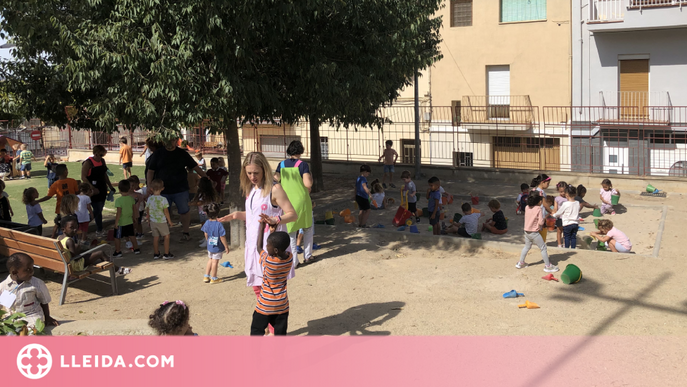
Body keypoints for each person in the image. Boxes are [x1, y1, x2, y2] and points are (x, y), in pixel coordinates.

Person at [218, 152, 297, 324]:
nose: (252, 177)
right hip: (254, 247)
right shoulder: (251, 190)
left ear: (265, 171)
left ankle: (275, 332)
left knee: (273, 294)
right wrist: (235, 215)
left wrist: (276, 219)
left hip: (272, 250)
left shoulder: (275, 189)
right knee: (257, 289)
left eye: (256, 173)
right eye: (249, 173)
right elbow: (254, 215)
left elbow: (292, 214)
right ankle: (268, 328)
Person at [146, 138, 207, 240]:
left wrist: (206, 178)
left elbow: (196, 167)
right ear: (165, 141)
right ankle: (163, 234)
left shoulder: (182, 153)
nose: (171, 143)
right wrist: (149, 185)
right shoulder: (158, 153)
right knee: (163, 212)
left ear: (176, 141)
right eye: (169, 140)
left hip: (180, 188)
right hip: (162, 190)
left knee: (184, 211)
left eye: (173, 140)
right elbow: (150, 170)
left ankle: (186, 232)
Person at [274, 140, 315, 265]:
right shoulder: (302, 165)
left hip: (286, 200)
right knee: (307, 228)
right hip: (302, 200)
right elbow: (307, 184)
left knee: (291, 231)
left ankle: (294, 261)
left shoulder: (281, 164)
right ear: (301, 151)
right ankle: (308, 256)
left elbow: (275, 180)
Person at [251, 219, 292, 336]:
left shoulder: (268, 261)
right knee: (280, 334)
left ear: (274, 250)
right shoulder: (289, 258)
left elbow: (258, 247)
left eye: (268, 245)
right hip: (282, 305)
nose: (266, 247)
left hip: (265, 305)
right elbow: (277, 246)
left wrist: (262, 227)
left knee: (256, 330)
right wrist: (272, 232)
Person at [59, 216, 131, 278]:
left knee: (93, 255)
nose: (75, 229)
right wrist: (78, 248)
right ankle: (117, 270)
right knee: (100, 253)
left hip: (65, 265)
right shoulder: (69, 241)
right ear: (63, 229)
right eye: (71, 228)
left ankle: (116, 269)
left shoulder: (59, 238)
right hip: (75, 266)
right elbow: (75, 258)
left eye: (76, 227)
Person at [0, 253, 59, 328]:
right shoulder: (3, 286)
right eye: (27, 270)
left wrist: (47, 317)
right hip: (10, 317)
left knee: (31, 330)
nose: (32, 272)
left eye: (32, 268)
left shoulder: (36, 283)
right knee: (8, 331)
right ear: (15, 272)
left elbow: (44, 301)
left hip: (31, 315)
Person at [517, 193, 559, 272]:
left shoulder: (527, 207)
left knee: (527, 247)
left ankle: (521, 263)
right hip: (534, 233)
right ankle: (548, 266)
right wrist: (546, 216)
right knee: (543, 248)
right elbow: (540, 223)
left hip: (526, 231)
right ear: (538, 201)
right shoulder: (538, 209)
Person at [81, 145, 116, 238]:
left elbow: (105, 175)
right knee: (96, 209)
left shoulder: (102, 161)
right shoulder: (88, 163)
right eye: (100, 154)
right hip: (92, 190)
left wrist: (110, 186)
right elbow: (83, 177)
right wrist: (92, 188)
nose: (102, 156)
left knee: (99, 209)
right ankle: (83, 224)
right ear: (96, 153)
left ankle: (99, 229)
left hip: (102, 188)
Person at [37, 164, 80, 238]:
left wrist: (38, 201)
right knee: (74, 226)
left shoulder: (55, 184)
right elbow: (77, 192)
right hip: (71, 208)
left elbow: (48, 196)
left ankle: (62, 242)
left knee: (62, 226)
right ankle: (73, 242)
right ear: (65, 172)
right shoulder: (72, 181)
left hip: (61, 209)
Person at [145, 179, 175, 260]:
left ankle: (156, 253)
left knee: (155, 237)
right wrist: (170, 221)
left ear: (151, 188)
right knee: (166, 236)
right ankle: (166, 253)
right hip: (161, 221)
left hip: (153, 221)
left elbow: (147, 210)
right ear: (162, 188)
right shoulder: (163, 199)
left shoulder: (149, 199)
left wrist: (148, 220)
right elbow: (166, 211)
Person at [201, 203, 230, 284]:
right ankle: (214, 277)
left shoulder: (206, 222)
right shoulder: (219, 224)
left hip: (210, 245)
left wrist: (207, 240)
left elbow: (205, 233)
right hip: (217, 247)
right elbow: (222, 237)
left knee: (210, 260)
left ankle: (206, 276)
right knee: (215, 262)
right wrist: (226, 246)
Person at [113, 179, 140, 257]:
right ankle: (136, 249)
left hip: (121, 222)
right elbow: (134, 209)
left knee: (117, 237)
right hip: (129, 221)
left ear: (119, 189)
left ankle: (118, 251)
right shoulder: (131, 199)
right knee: (132, 235)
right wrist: (135, 218)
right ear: (129, 189)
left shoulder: (118, 200)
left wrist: (116, 223)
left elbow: (119, 212)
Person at [191, 177, 220, 248]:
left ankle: (208, 241)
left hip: (204, 212)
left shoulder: (202, 193)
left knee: (206, 227)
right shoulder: (210, 192)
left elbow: (200, 202)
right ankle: (206, 238)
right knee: (207, 227)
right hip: (208, 211)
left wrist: (191, 203)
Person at [531, 174, 552, 240]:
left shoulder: (535, 190)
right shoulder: (541, 192)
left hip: (534, 214)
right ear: (542, 182)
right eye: (547, 183)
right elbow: (545, 204)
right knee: (539, 230)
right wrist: (552, 211)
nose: (548, 185)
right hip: (540, 214)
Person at [128, 175, 146, 242]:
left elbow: (143, 200)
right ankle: (137, 232)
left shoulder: (140, 192)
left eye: (133, 185)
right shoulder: (131, 193)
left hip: (139, 209)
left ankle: (140, 233)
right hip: (134, 210)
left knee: (138, 222)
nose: (132, 187)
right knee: (134, 222)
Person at [554, 181, 568, 248]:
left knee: (565, 232)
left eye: (564, 191)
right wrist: (554, 214)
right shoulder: (557, 198)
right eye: (561, 192)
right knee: (559, 231)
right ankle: (559, 244)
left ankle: (565, 244)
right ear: (558, 191)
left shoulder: (568, 198)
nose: (563, 193)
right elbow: (555, 208)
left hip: (566, 217)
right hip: (559, 217)